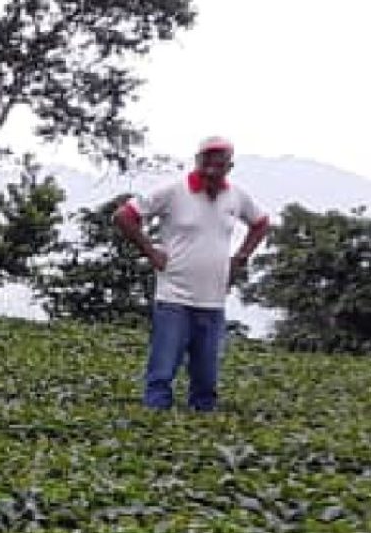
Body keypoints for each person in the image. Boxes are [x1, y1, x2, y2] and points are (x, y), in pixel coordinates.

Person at [115, 136, 271, 413]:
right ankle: (153, 422)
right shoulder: (173, 191)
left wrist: (241, 257)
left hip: (212, 300)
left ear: (229, 167)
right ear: (198, 161)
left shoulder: (235, 196)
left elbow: (261, 223)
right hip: (173, 297)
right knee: (162, 372)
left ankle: (200, 427)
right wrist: (151, 251)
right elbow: (125, 216)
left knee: (206, 379)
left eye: (219, 165)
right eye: (206, 163)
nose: (211, 171)